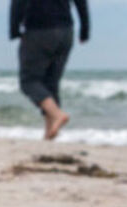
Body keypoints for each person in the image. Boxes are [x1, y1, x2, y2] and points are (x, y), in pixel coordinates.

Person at [10, 0, 89, 140]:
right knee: (51, 83)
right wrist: (85, 30)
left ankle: (57, 115)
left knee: (28, 81)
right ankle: (49, 134)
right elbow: (81, 2)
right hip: (66, 32)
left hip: (38, 30)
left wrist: (14, 30)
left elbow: (18, 2)